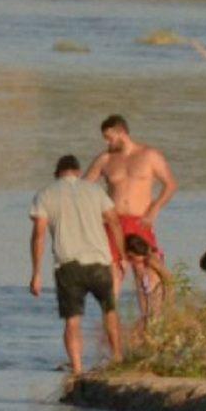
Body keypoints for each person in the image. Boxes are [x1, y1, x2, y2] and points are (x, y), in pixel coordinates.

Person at [30, 154, 126, 373]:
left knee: (72, 321)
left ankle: (77, 368)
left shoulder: (45, 194)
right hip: (100, 262)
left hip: (68, 265)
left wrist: (36, 272)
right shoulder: (95, 190)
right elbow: (114, 223)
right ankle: (118, 359)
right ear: (78, 171)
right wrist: (121, 257)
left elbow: (39, 235)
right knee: (109, 311)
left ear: (57, 174)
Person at [84, 115, 178, 317]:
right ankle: (108, 328)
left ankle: (151, 322)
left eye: (109, 138)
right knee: (112, 275)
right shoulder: (105, 159)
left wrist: (154, 209)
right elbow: (83, 188)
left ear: (121, 133)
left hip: (140, 222)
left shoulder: (149, 155)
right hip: (113, 222)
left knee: (144, 273)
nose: (107, 142)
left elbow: (170, 185)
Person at [123, 235, 173, 321]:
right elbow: (141, 292)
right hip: (150, 309)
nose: (130, 261)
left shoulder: (152, 260)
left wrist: (168, 304)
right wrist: (143, 315)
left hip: (160, 305)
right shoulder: (139, 266)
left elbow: (169, 278)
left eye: (131, 257)